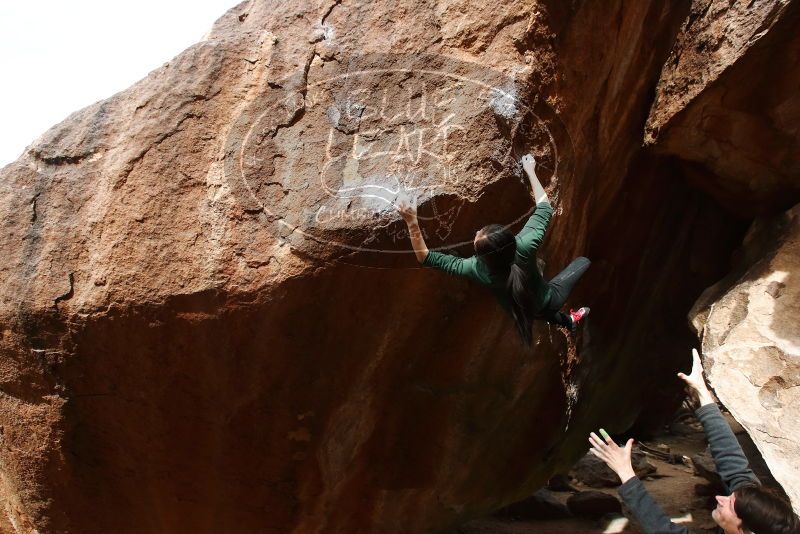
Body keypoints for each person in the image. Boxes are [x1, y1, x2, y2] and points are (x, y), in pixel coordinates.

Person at [589, 349, 800, 534]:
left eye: (729, 504)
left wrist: (626, 472)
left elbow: (664, 530)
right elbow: (731, 458)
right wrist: (702, 391)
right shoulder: (749, 503)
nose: (720, 497)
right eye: (730, 497)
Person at [397, 154, 590, 346]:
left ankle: (569, 321)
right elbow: (545, 208)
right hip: (549, 299)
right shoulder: (524, 245)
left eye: (478, 235)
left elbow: (424, 257)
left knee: (545, 314)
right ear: (510, 238)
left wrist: (411, 221)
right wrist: (530, 171)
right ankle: (569, 320)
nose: (476, 231)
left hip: (524, 311)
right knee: (583, 262)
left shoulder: (476, 269)